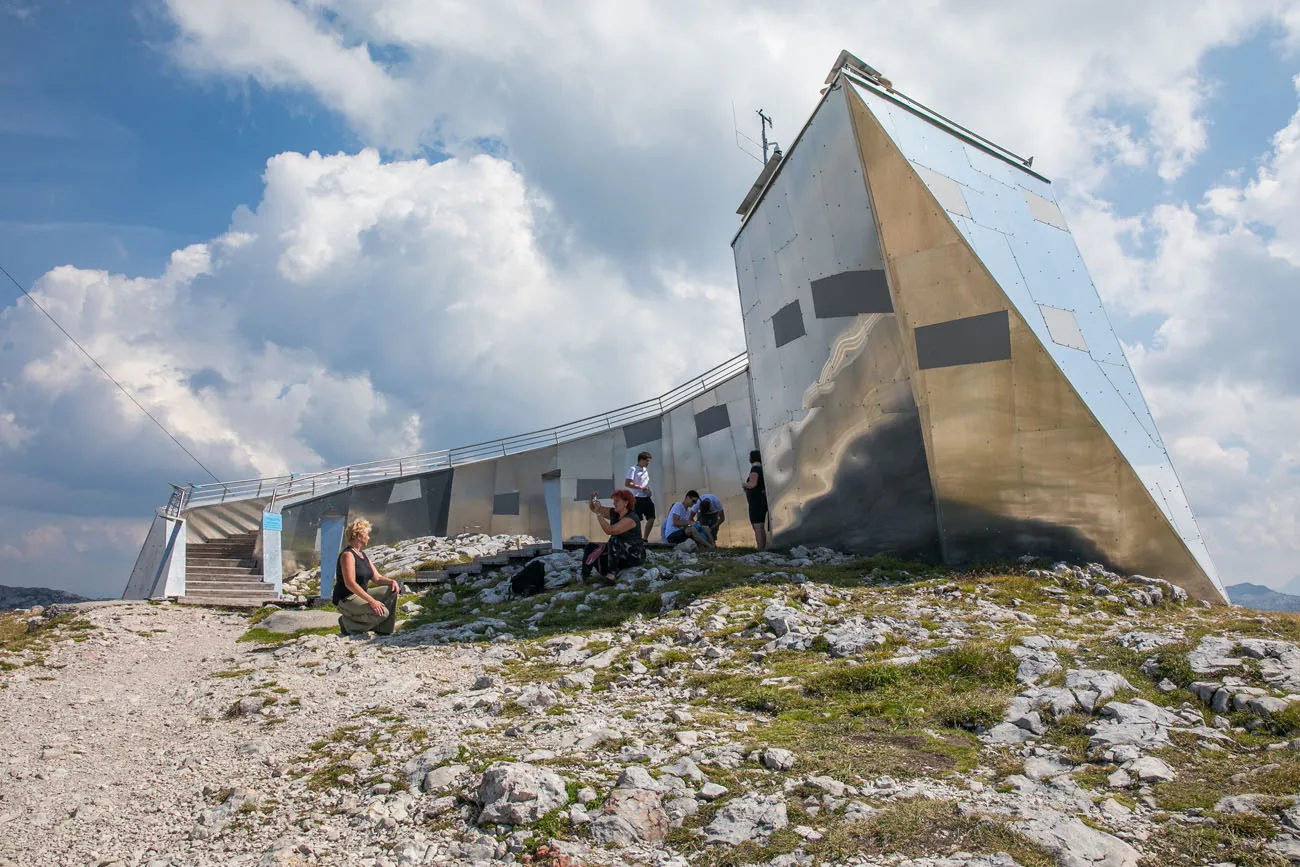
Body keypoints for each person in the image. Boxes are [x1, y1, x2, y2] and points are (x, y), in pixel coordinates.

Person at [333, 519, 399, 636]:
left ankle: (384, 629)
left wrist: (391, 581)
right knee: (382, 613)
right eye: (367, 534)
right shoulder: (347, 555)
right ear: (358, 536)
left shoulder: (363, 555)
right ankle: (347, 623)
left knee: (391, 590)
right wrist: (372, 601)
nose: (368, 537)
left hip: (360, 594)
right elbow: (350, 583)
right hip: (347, 598)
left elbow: (377, 578)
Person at [581, 489, 646, 581]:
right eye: (614, 501)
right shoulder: (614, 513)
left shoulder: (631, 518)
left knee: (614, 539)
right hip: (618, 553)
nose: (614, 503)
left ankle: (611, 575)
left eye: (617, 501)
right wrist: (592, 499)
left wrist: (598, 514)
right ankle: (585, 577)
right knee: (590, 547)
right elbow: (594, 509)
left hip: (634, 555)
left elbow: (610, 530)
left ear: (626, 503)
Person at [624, 451, 656, 544]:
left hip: (645, 497)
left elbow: (645, 483)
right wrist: (641, 488)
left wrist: (648, 490)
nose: (648, 463)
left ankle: (645, 538)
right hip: (636, 498)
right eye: (647, 461)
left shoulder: (645, 470)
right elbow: (627, 483)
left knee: (651, 517)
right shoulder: (633, 469)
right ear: (641, 460)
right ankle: (635, 538)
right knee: (637, 519)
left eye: (649, 461)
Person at [743, 450, 769, 551]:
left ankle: (760, 549)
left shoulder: (754, 469)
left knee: (757, 526)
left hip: (755, 502)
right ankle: (764, 548)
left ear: (752, 458)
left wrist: (744, 484)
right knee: (761, 526)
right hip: (762, 500)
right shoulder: (762, 468)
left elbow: (752, 484)